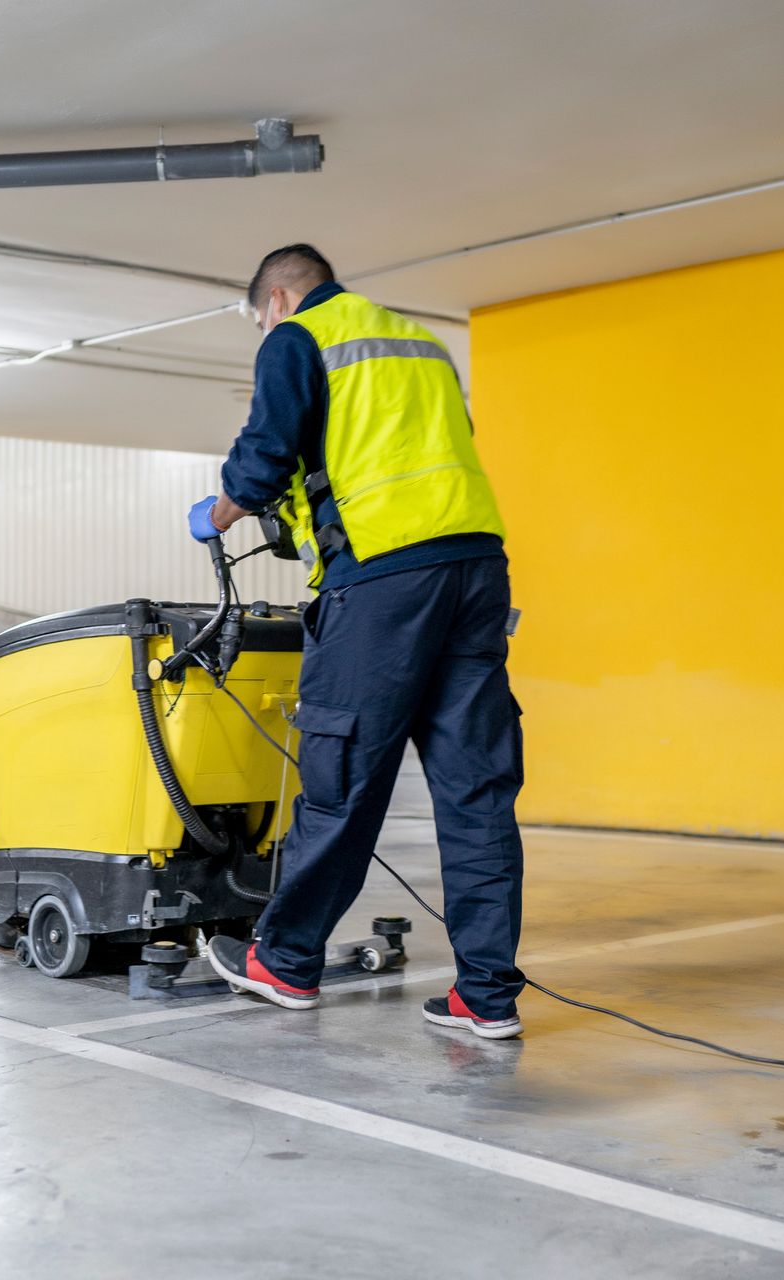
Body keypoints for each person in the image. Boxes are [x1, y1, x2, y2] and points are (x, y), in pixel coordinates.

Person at [190, 244, 526, 1039]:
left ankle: (285, 960)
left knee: (341, 775)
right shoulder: (420, 342)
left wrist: (219, 512)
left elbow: (265, 456)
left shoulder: (299, 337)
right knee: (476, 790)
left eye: (261, 318)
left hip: (382, 583)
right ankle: (486, 996)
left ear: (276, 299)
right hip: (477, 569)